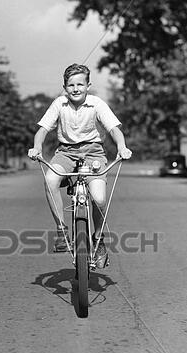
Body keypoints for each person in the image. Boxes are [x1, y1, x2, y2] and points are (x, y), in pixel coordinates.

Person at [28, 63, 132, 268]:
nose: (76, 89)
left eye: (80, 84)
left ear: (88, 85)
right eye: (71, 85)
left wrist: (122, 147)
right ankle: (61, 230)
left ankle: (98, 239)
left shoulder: (97, 104)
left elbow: (114, 129)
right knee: (50, 180)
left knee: (99, 198)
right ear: (65, 87)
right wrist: (36, 147)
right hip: (66, 152)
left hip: (94, 152)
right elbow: (42, 130)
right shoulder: (59, 104)